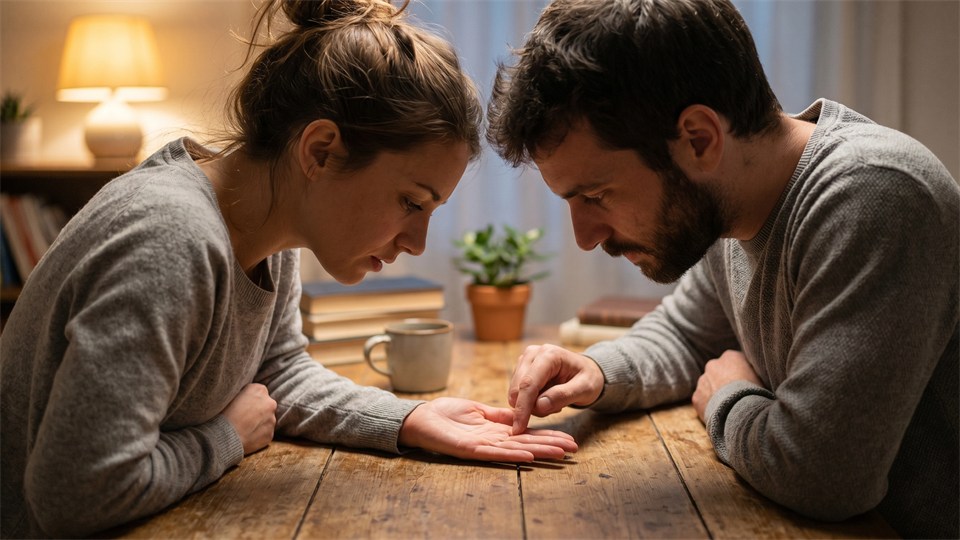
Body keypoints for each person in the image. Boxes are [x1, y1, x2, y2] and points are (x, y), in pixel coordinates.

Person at [0, 1, 578, 537]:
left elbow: (277, 373)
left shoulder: (269, 230)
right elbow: (74, 494)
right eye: (411, 202)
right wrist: (225, 437)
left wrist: (408, 419)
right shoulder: (171, 238)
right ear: (320, 151)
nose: (418, 242)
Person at [486, 0, 958, 538]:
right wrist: (596, 372)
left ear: (698, 139)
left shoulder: (875, 195)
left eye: (596, 194)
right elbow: (686, 336)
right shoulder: (726, 209)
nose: (585, 236)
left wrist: (728, 398)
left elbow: (824, 476)